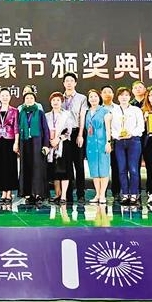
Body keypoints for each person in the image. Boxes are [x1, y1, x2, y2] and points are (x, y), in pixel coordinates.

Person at [110, 87, 144, 205]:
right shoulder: (114, 111)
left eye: (126, 95)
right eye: (121, 95)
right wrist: (117, 135)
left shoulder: (136, 110)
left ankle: (134, 194)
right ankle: (125, 194)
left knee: (133, 169)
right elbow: (111, 128)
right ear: (118, 97)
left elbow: (141, 127)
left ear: (130, 97)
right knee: (122, 169)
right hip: (119, 142)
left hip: (134, 141)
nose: (124, 97)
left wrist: (131, 133)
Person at [18, 91, 49, 204]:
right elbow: (18, 129)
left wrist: (46, 145)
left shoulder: (40, 113)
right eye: (27, 98)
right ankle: (28, 193)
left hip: (37, 143)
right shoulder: (21, 113)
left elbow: (46, 129)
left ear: (35, 100)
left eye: (31, 98)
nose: (29, 100)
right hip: (25, 142)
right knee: (26, 167)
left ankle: (38, 193)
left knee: (37, 167)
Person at [62, 72, 87, 204]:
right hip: (64, 134)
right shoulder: (59, 98)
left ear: (75, 83)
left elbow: (82, 117)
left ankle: (81, 194)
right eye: (67, 81)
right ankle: (68, 194)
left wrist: (80, 134)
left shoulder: (82, 98)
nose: (69, 83)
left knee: (79, 164)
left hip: (77, 131)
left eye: (71, 81)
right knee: (67, 165)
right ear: (63, 83)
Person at [0, 88, 19, 204]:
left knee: (10, 166)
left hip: (10, 141)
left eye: (7, 95)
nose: (5, 97)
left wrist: (16, 143)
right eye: (2, 95)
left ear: (10, 97)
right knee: (0, 166)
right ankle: (3, 192)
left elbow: (16, 128)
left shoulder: (14, 111)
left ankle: (9, 193)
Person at [84, 89, 112, 204]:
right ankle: (97, 194)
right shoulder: (87, 112)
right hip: (91, 144)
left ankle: (102, 195)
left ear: (99, 98)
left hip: (102, 143)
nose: (93, 99)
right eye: (91, 97)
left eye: (95, 96)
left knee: (104, 169)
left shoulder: (105, 111)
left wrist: (108, 142)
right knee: (94, 170)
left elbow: (108, 129)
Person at [101, 85, 121, 200]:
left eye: (109, 92)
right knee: (102, 167)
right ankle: (101, 192)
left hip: (116, 139)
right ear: (101, 95)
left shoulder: (118, 108)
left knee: (116, 166)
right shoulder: (98, 108)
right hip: (101, 140)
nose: (107, 94)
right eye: (104, 92)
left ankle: (116, 192)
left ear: (113, 95)